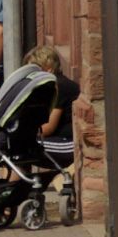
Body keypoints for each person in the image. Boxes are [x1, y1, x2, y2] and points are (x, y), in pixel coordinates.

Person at [21, 44, 80, 174]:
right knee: (16, 144)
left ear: (48, 70)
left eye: (33, 72)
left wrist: (22, 132)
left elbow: (48, 127)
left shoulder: (59, 87)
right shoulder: (50, 87)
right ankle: (16, 186)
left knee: (20, 145)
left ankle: (17, 188)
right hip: (59, 140)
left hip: (68, 144)